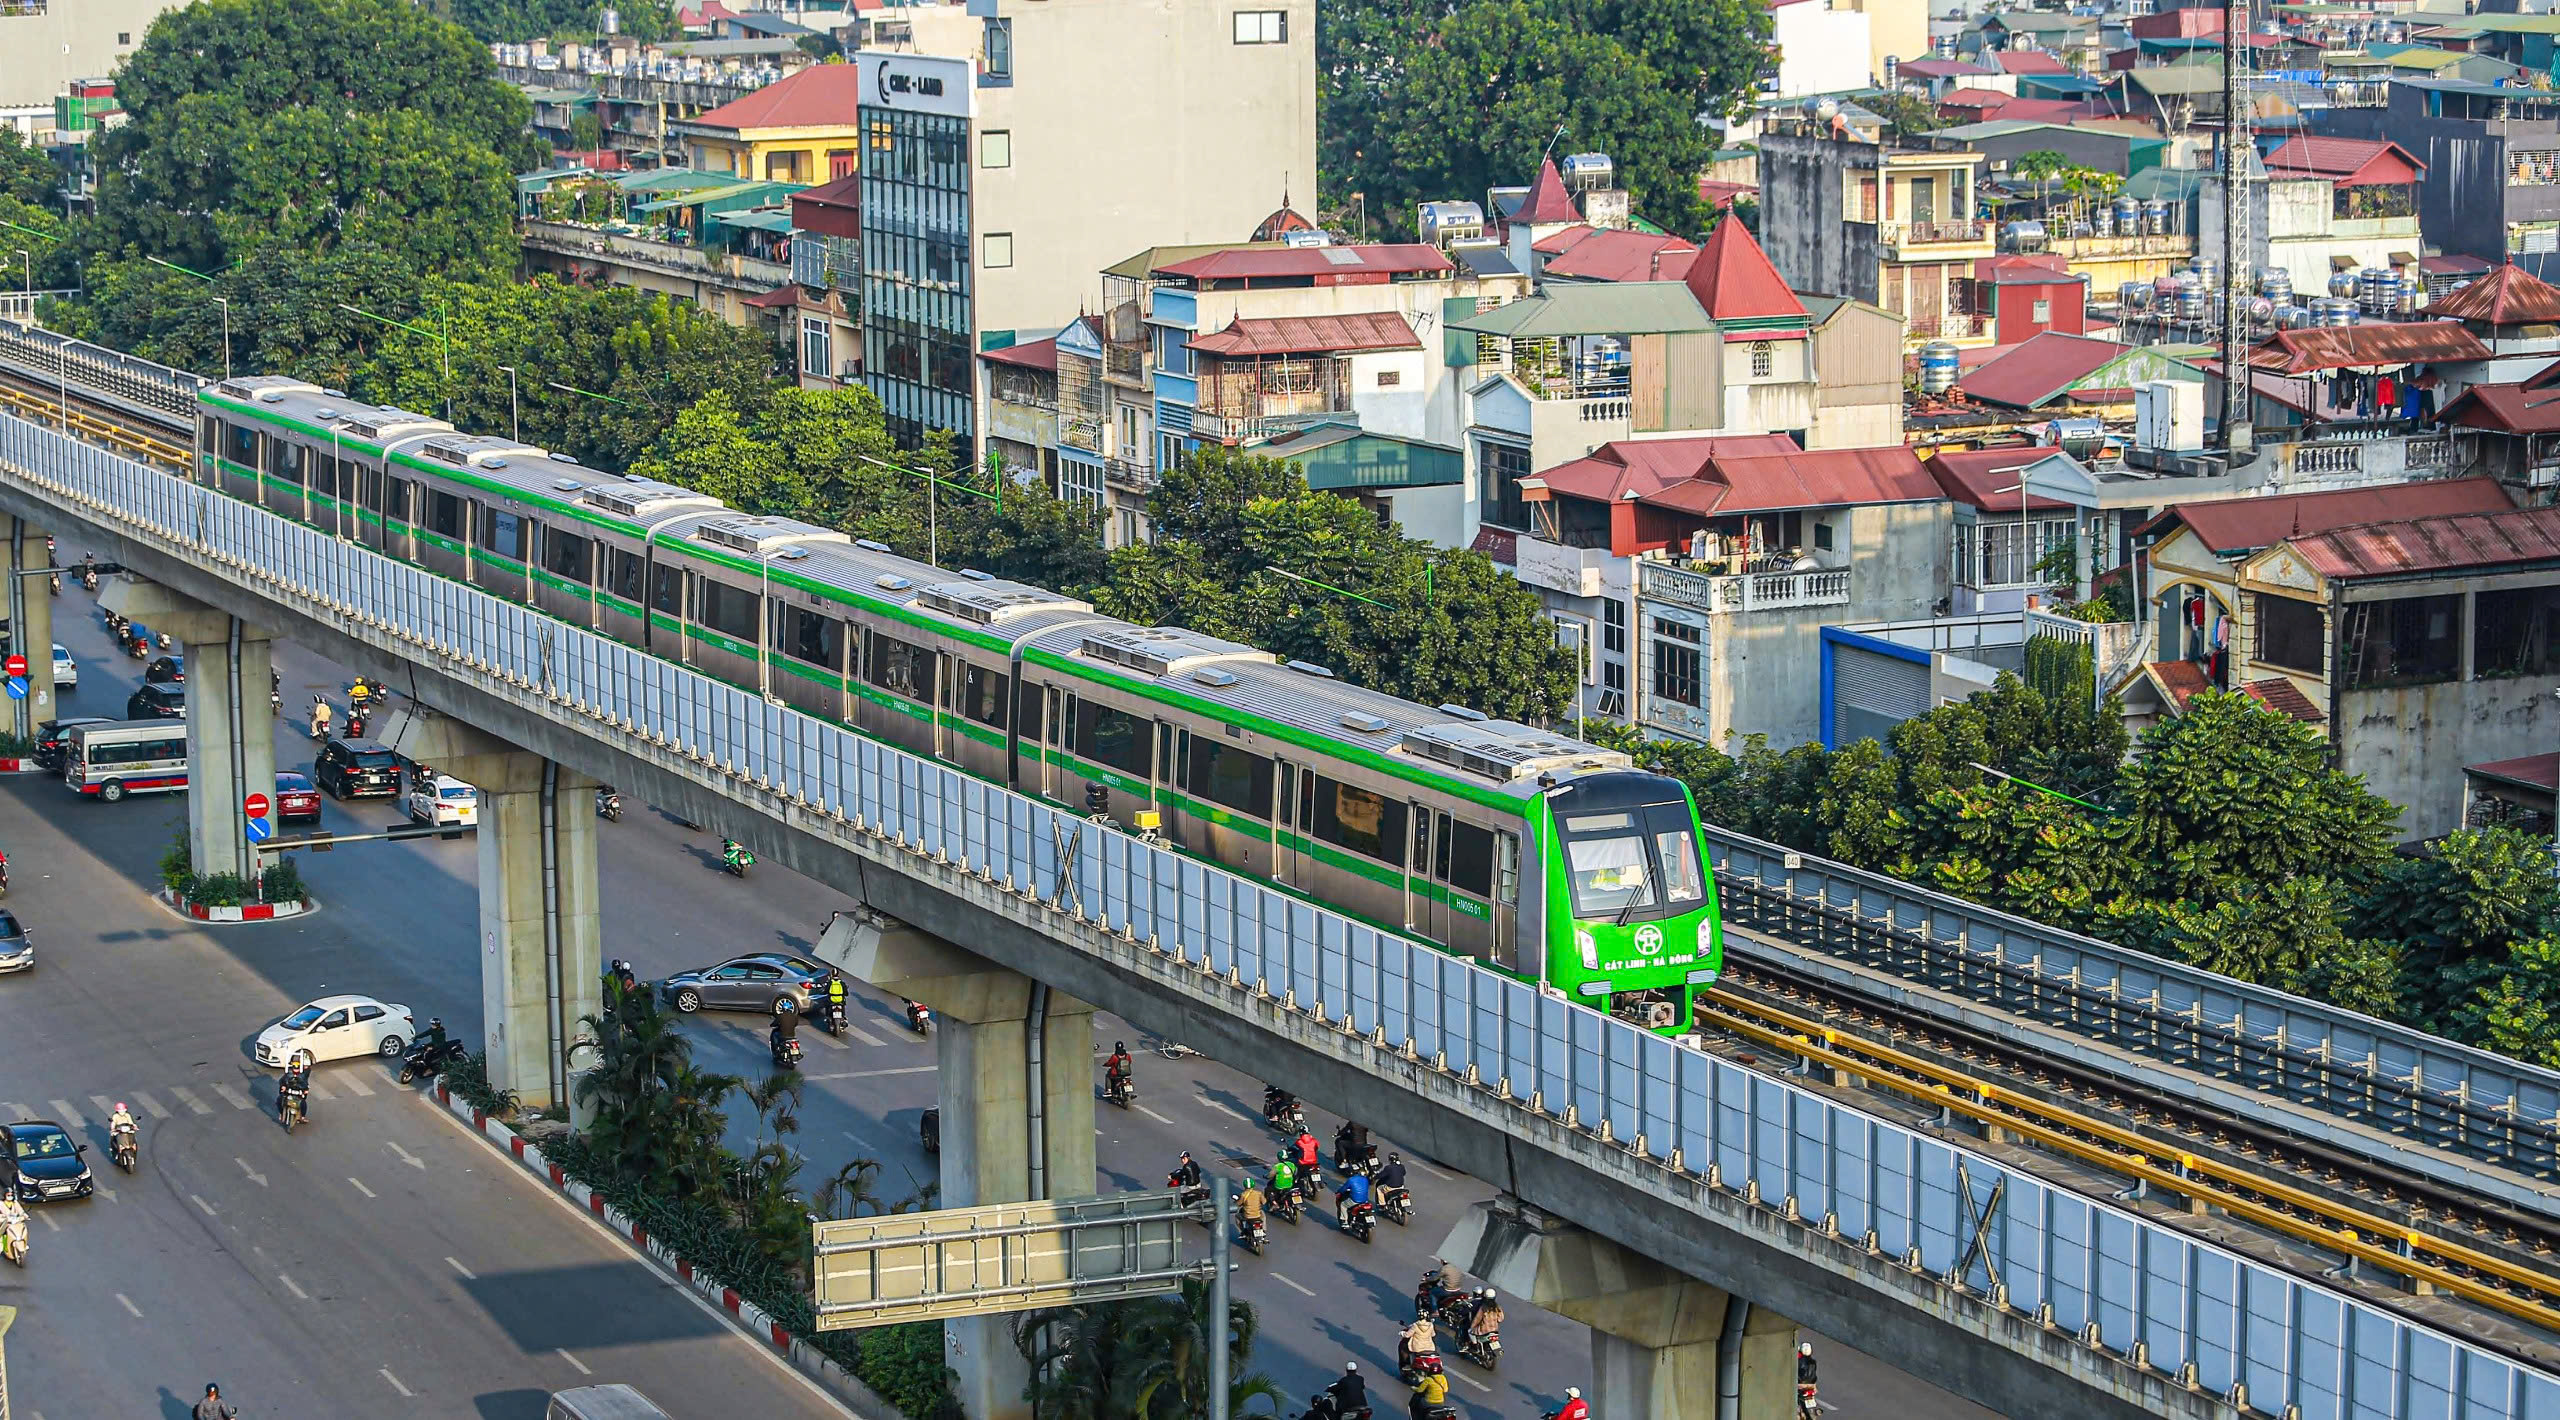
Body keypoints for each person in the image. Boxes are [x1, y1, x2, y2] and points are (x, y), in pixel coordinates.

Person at [1335, 1158, 1372, 1228]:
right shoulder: (1365, 1179)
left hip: (1355, 1200)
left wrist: (1338, 1191)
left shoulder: (1351, 1180)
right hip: (1365, 1200)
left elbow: (1343, 1188)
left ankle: (1345, 1221)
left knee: (1343, 1205)